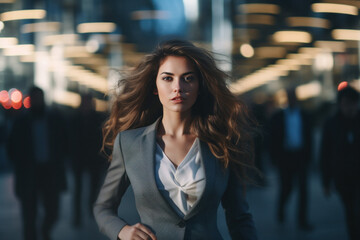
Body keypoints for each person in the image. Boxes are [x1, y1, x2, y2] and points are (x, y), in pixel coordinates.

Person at [93, 40, 258, 240]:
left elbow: (239, 217)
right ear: (155, 86)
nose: (178, 87)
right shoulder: (129, 143)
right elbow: (103, 208)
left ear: (200, 86)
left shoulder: (222, 143)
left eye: (188, 79)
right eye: (167, 78)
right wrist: (123, 231)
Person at [6, 86, 68, 240]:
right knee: (29, 215)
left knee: (53, 211)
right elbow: (12, 146)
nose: (37, 101)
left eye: (39, 98)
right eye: (34, 98)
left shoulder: (53, 119)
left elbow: (63, 142)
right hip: (29, 174)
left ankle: (45, 231)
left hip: (49, 172)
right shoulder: (21, 122)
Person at [268, 88, 313, 231]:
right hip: (285, 157)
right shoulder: (279, 116)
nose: (292, 99)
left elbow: (309, 137)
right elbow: (272, 138)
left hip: (300, 156)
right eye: (290, 97)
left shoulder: (304, 115)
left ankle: (302, 221)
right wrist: (274, 158)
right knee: (286, 188)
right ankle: (281, 213)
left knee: (303, 190)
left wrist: (309, 157)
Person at [320, 86, 360, 240]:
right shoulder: (331, 124)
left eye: (354, 103)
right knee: (350, 211)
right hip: (343, 178)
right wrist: (326, 181)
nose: (351, 108)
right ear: (340, 104)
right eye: (347, 104)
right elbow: (325, 153)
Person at [70, 93, 107, 227]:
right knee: (78, 189)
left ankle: (90, 212)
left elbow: (103, 140)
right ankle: (78, 216)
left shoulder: (97, 119)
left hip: (94, 159)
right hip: (79, 159)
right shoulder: (75, 119)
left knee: (94, 188)